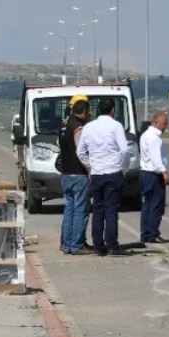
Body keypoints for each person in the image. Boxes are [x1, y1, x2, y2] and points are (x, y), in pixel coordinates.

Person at [77, 98, 130, 256]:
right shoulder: (116, 126)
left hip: (97, 173)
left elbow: (80, 151)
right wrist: (123, 168)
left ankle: (99, 246)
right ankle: (112, 245)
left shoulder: (88, 127)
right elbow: (125, 150)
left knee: (98, 210)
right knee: (111, 210)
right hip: (113, 171)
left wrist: (90, 166)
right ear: (112, 110)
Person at [57, 97, 92, 255]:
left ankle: (66, 243)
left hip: (66, 173)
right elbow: (81, 151)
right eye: (89, 111)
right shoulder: (78, 127)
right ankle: (77, 245)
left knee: (69, 209)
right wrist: (89, 169)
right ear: (84, 111)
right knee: (80, 210)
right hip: (78, 174)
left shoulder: (64, 124)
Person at [139, 110, 169, 244]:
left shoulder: (147, 135)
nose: (165, 128)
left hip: (147, 174)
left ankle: (146, 233)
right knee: (156, 205)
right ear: (156, 122)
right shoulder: (153, 137)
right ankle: (152, 233)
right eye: (164, 124)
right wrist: (164, 172)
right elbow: (155, 158)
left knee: (148, 204)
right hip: (153, 174)